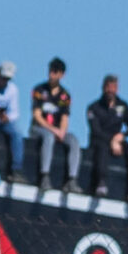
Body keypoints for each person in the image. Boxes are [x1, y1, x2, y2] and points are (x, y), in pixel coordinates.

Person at [84, 72, 128, 201]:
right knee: (102, 149)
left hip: (117, 140)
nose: (111, 90)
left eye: (114, 87)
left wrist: (121, 136)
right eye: (108, 87)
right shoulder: (94, 107)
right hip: (99, 141)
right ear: (103, 88)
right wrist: (112, 141)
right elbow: (96, 130)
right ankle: (101, 183)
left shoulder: (123, 106)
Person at [28, 60, 76, 191]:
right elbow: (37, 116)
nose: (51, 75)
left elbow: (65, 118)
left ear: (61, 74)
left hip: (56, 130)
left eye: (55, 72)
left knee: (73, 140)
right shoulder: (39, 90)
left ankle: (71, 179)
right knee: (48, 137)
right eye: (50, 71)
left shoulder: (65, 95)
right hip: (39, 129)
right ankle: (44, 175)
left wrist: (62, 132)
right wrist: (54, 130)